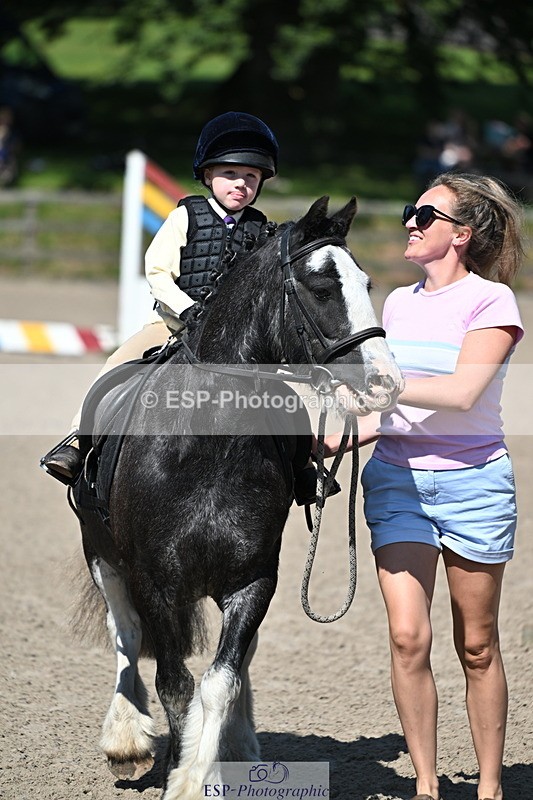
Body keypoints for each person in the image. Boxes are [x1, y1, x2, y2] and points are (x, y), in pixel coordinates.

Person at [323, 173, 524, 800]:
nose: (410, 220)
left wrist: (380, 389)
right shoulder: (397, 305)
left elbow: (462, 392)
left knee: (478, 643)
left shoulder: (492, 302)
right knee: (409, 637)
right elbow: (387, 413)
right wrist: (335, 438)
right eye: (411, 211)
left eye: (425, 214)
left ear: (460, 235)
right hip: (398, 484)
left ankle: (489, 787)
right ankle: (427, 786)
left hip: (474, 485)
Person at [41, 111, 279, 482]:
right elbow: (158, 272)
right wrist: (191, 311)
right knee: (116, 366)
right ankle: (77, 442)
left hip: (234, 338)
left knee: (280, 393)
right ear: (207, 175)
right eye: (230, 174)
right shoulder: (186, 216)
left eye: (251, 177)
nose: (241, 184)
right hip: (172, 326)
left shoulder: (261, 228)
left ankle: (300, 466)